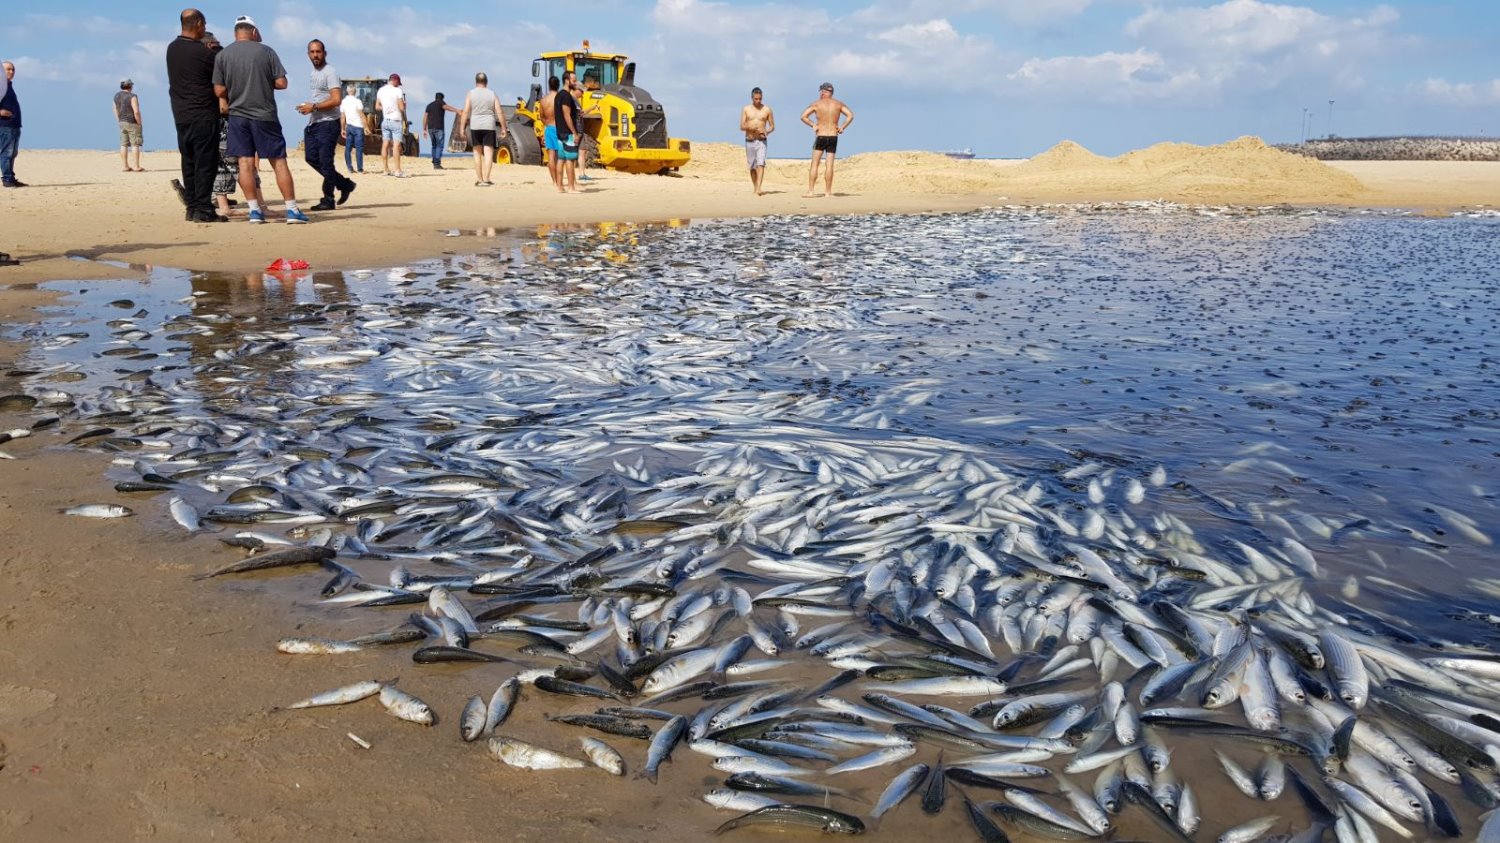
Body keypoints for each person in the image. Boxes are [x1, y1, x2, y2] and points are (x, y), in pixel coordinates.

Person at [213, 16, 306, 223]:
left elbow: (218, 89)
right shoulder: (266, 51)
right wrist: (261, 81)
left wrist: (236, 85)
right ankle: (292, 210)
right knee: (279, 163)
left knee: (244, 163)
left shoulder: (223, 55)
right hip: (264, 115)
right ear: (253, 31)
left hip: (237, 116)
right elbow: (282, 83)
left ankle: (254, 211)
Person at [165, 9, 221, 221]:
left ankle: (192, 208)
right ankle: (204, 209)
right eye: (204, 26)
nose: (205, 29)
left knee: (188, 162)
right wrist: (215, 48)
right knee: (205, 164)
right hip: (203, 114)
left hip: (181, 115)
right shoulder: (203, 52)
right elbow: (220, 62)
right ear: (198, 24)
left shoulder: (172, 48)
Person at [297, 39, 355, 211]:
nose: (315, 55)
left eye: (318, 51)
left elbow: (337, 100)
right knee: (311, 158)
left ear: (325, 53)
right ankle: (345, 184)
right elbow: (320, 97)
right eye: (312, 52)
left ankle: (328, 198)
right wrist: (309, 107)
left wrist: (313, 107)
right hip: (314, 122)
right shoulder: (314, 73)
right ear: (308, 54)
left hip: (329, 124)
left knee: (325, 162)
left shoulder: (330, 72)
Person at [799, 82, 853, 198]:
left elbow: (803, 116)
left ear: (823, 92)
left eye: (821, 92)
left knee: (815, 164)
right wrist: (842, 127)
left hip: (821, 136)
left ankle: (811, 191)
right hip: (833, 136)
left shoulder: (817, 104)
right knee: (830, 165)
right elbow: (850, 115)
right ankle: (828, 192)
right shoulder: (838, 104)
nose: (820, 94)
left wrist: (813, 125)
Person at [459, 73, 507, 187]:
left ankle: (480, 180)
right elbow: (499, 111)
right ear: (487, 82)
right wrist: (504, 128)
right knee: (488, 153)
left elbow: (465, 111)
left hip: (475, 125)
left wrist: (461, 128)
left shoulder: (471, 93)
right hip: (489, 125)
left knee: (476, 153)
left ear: (476, 81)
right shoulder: (492, 94)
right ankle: (486, 179)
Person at [740, 86, 774, 196]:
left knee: (761, 163)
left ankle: (759, 188)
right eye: (756, 99)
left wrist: (767, 132)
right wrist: (750, 128)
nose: (758, 101)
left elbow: (772, 126)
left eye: (760, 99)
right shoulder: (746, 109)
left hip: (762, 140)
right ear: (752, 98)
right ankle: (755, 186)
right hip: (749, 140)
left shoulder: (767, 109)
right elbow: (741, 126)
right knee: (752, 166)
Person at [376, 73, 407, 177]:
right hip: (395, 120)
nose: (398, 85)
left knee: (385, 144)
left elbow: (377, 107)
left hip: (385, 121)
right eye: (398, 83)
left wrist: (386, 108)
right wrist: (404, 105)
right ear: (395, 81)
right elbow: (402, 108)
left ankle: (385, 170)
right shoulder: (397, 91)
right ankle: (397, 170)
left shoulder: (381, 90)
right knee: (396, 145)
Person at [554, 71, 581, 193]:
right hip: (567, 132)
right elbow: (567, 115)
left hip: (559, 131)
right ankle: (571, 187)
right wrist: (574, 132)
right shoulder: (566, 96)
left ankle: (560, 186)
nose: (575, 83)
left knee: (561, 159)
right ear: (567, 80)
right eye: (574, 80)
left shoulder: (558, 95)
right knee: (570, 160)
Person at [0, 61, 24, 188]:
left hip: (14, 125)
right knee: (7, 153)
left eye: (13, 69)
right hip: (5, 126)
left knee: (13, 153)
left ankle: (11, 177)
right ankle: (7, 179)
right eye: (8, 69)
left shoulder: (8, 86)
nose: (11, 72)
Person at [422, 92, 460, 169]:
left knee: (434, 145)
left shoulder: (429, 105)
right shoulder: (441, 103)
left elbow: (425, 117)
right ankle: (437, 163)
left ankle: (434, 161)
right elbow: (447, 107)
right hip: (439, 128)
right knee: (439, 145)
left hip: (430, 128)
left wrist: (424, 129)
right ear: (442, 98)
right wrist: (457, 110)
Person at [114, 79, 145, 173]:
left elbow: (115, 109)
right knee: (135, 144)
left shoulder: (116, 96)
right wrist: (139, 122)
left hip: (122, 122)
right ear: (130, 86)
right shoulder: (132, 96)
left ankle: (125, 166)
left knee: (124, 144)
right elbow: (136, 111)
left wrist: (119, 119)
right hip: (132, 122)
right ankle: (136, 166)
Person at [539, 76, 562, 192]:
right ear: (559, 85)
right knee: (561, 157)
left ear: (549, 85)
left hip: (549, 128)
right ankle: (560, 181)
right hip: (560, 128)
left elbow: (541, 117)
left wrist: (547, 123)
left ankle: (554, 181)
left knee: (551, 157)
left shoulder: (543, 100)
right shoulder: (560, 98)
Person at [339, 83, 365, 174]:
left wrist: (342, 129)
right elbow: (361, 115)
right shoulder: (358, 101)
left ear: (347, 91)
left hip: (349, 127)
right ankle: (360, 169)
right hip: (358, 127)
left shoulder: (343, 102)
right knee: (359, 149)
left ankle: (349, 168)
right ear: (355, 91)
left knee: (348, 148)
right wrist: (366, 127)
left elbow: (342, 117)